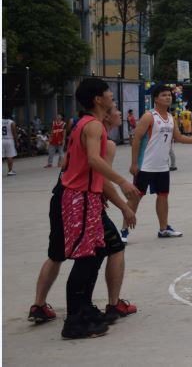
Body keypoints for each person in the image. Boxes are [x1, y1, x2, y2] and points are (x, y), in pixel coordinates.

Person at [28, 102, 139, 330]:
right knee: (111, 248)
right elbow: (102, 179)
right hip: (81, 201)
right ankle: (108, 305)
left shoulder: (83, 130)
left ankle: (39, 305)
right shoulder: (104, 141)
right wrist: (124, 206)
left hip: (61, 197)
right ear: (105, 115)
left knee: (56, 254)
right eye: (115, 108)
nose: (119, 112)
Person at [57, 79, 141, 338]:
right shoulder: (93, 125)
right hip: (80, 197)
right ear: (97, 99)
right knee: (85, 257)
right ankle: (74, 321)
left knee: (97, 252)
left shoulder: (86, 123)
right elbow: (93, 159)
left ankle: (85, 309)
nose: (111, 97)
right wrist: (122, 182)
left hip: (88, 197)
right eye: (108, 93)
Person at [123, 84, 192, 241]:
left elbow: (179, 137)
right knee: (135, 197)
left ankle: (163, 229)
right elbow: (136, 140)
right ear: (156, 99)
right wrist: (134, 163)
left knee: (163, 196)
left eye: (169, 95)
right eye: (164, 95)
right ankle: (124, 231)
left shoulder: (170, 117)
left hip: (162, 166)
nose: (168, 97)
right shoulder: (149, 116)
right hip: (145, 165)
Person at [2, 111, 17, 176]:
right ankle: (10, 171)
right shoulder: (11, 122)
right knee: (9, 156)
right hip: (9, 140)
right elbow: (14, 133)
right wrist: (16, 141)